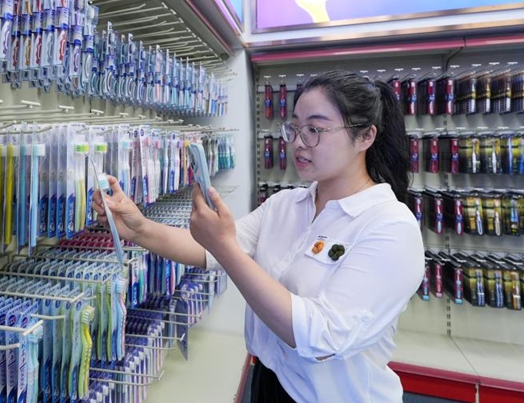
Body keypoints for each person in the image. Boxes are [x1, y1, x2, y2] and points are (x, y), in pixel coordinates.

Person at [91, 70, 425, 403]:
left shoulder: (390, 227)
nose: (297, 142)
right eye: (294, 128)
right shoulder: (286, 204)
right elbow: (207, 250)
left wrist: (224, 247)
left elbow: (320, 337)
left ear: (365, 136)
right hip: (267, 381)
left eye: (315, 129)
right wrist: (136, 227)